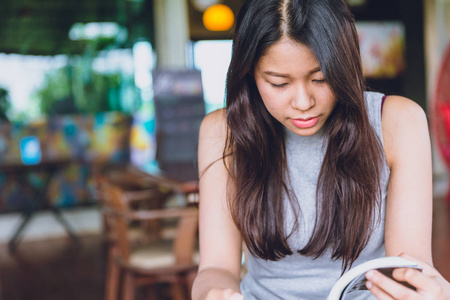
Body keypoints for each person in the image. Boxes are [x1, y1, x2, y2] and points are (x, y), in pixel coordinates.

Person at [191, 0, 449, 299]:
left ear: (345, 65)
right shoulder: (222, 131)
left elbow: (408, 263)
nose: (303, 102)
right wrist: (215, 294)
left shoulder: (398, 121)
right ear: (249, 74)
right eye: (279, 83)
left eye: (321, 78)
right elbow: (216, 267)